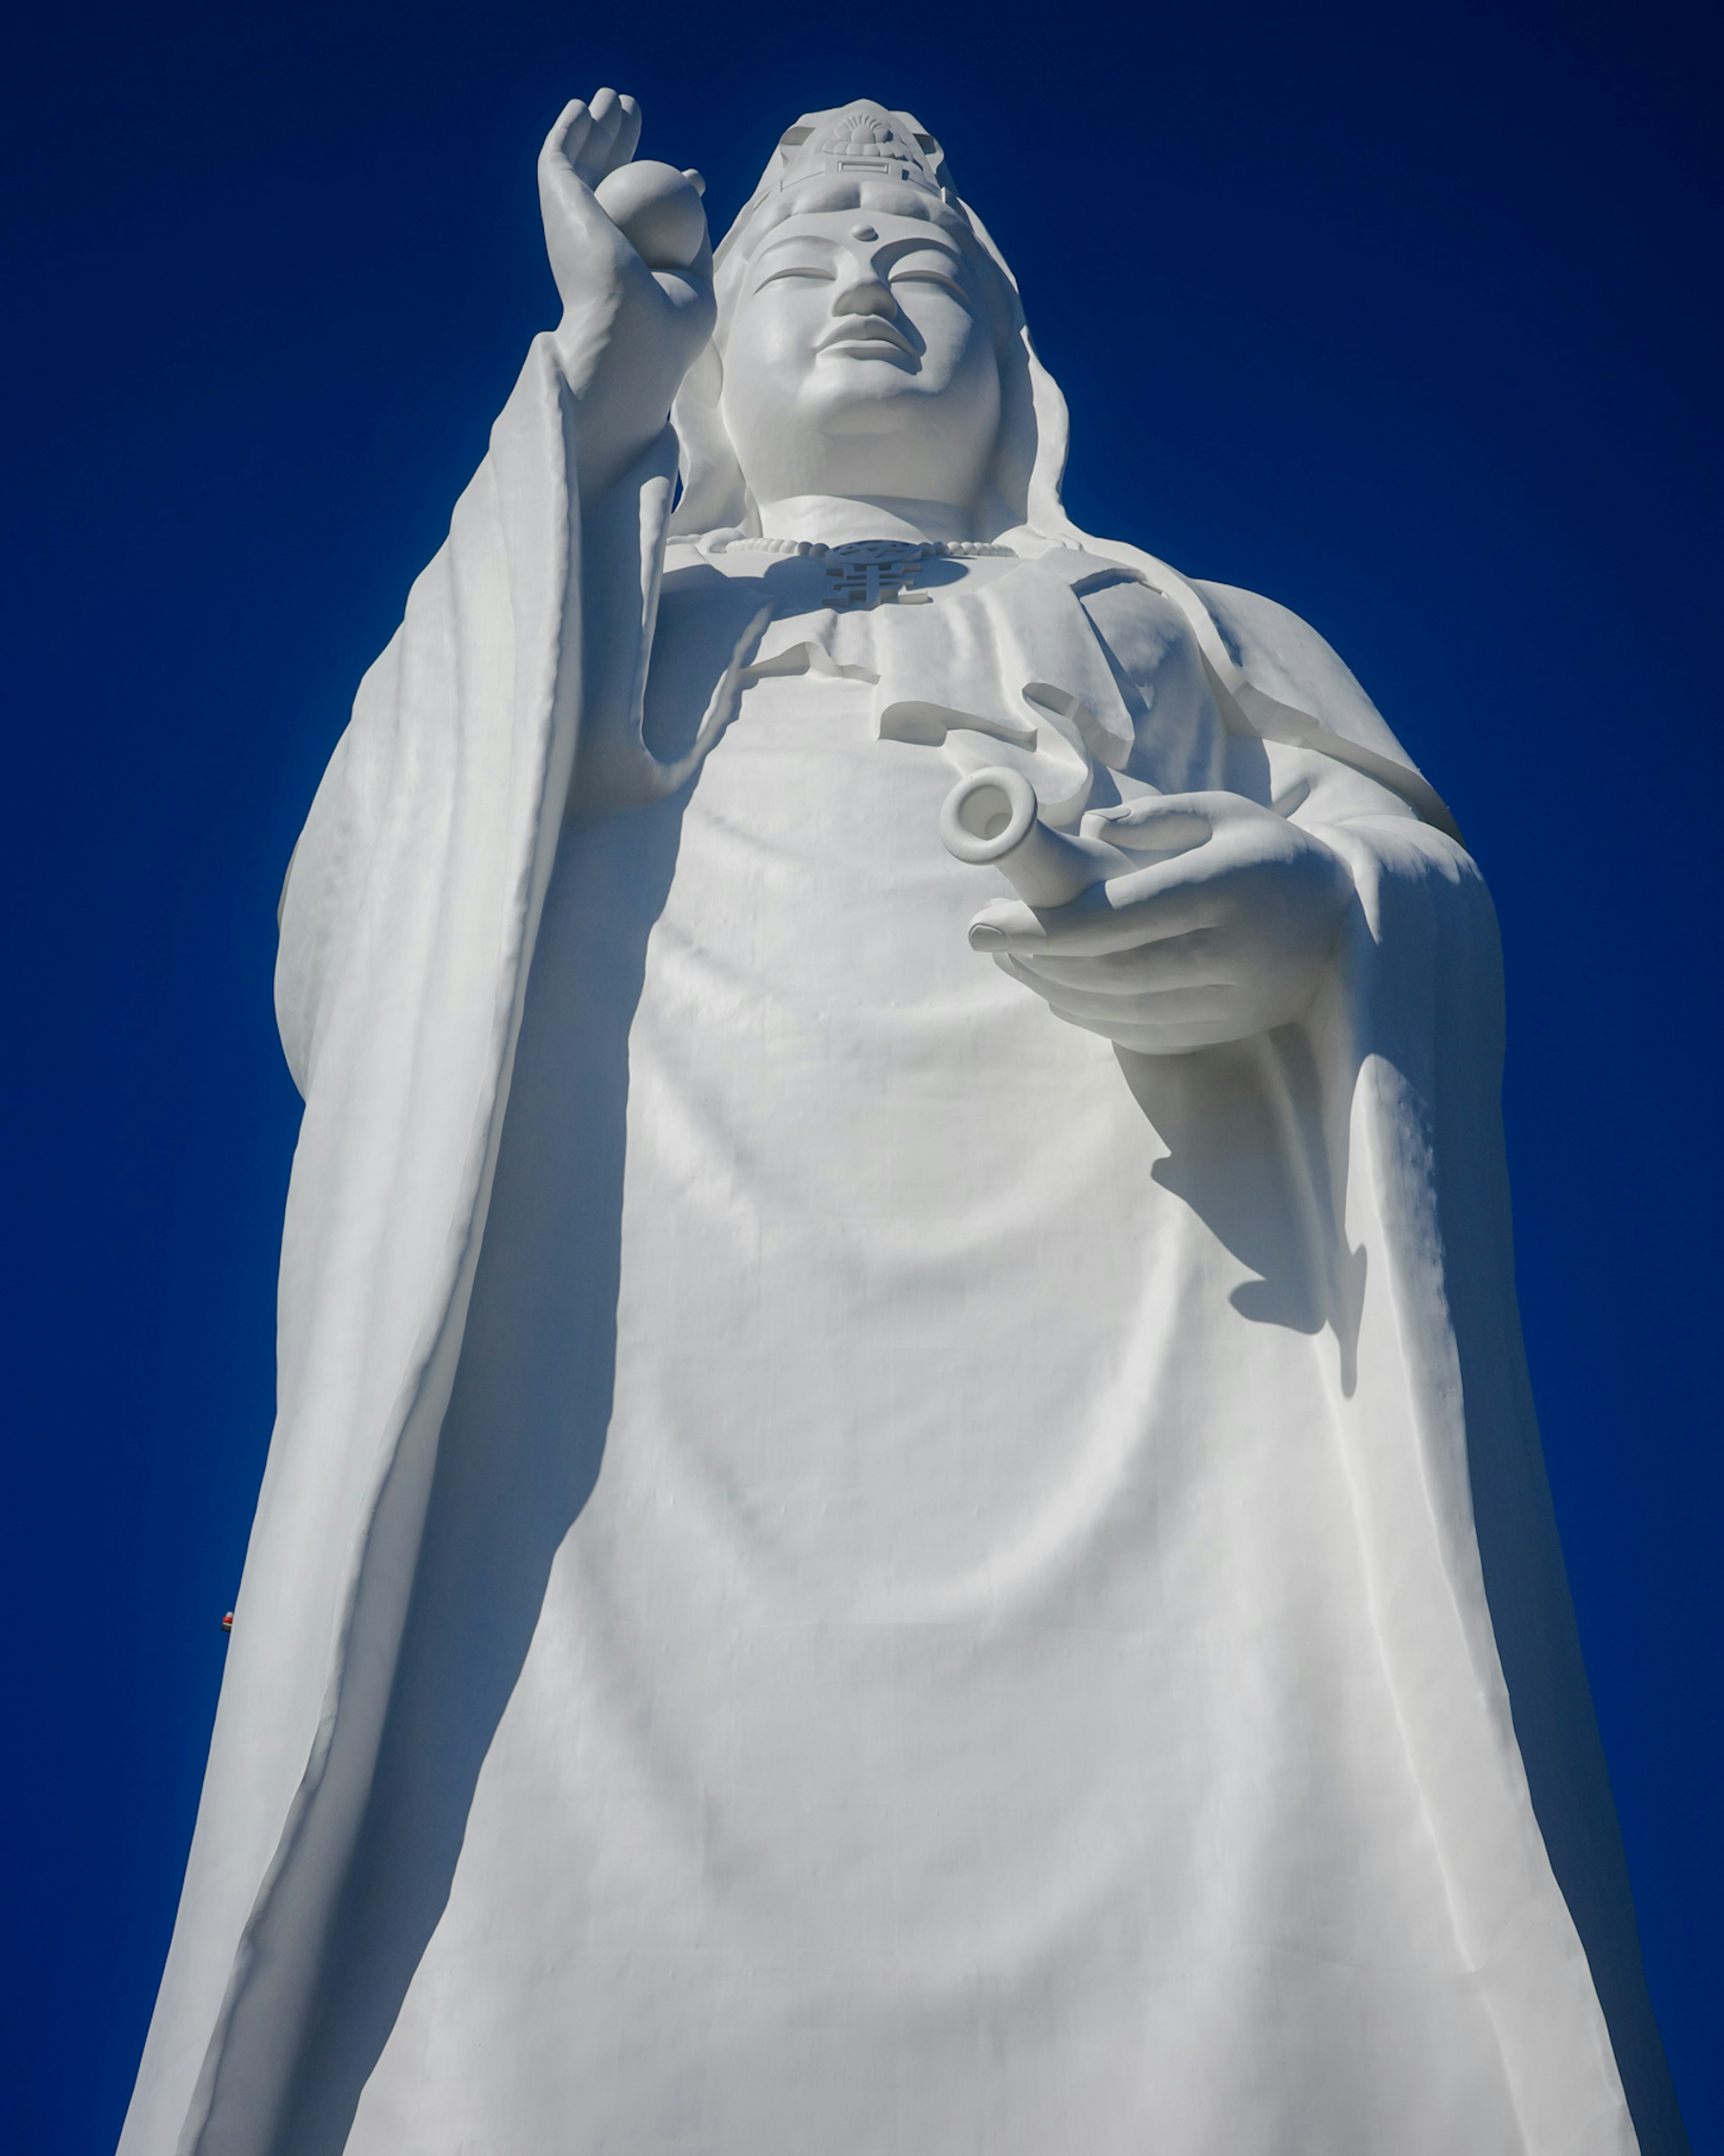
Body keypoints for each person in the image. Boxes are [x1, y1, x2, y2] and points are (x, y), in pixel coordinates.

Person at [121, 93, 1687, 2156]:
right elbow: (351, 949)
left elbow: (1407, 875)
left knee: (1256, 1828)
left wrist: (1314, 912)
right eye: (805, 260)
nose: (867, 275)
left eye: (923, 262)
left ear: (1019, 371)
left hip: (1151, 1331)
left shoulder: (1186, 629)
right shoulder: (585, 619)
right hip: (627, 1379)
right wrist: (592, 401)